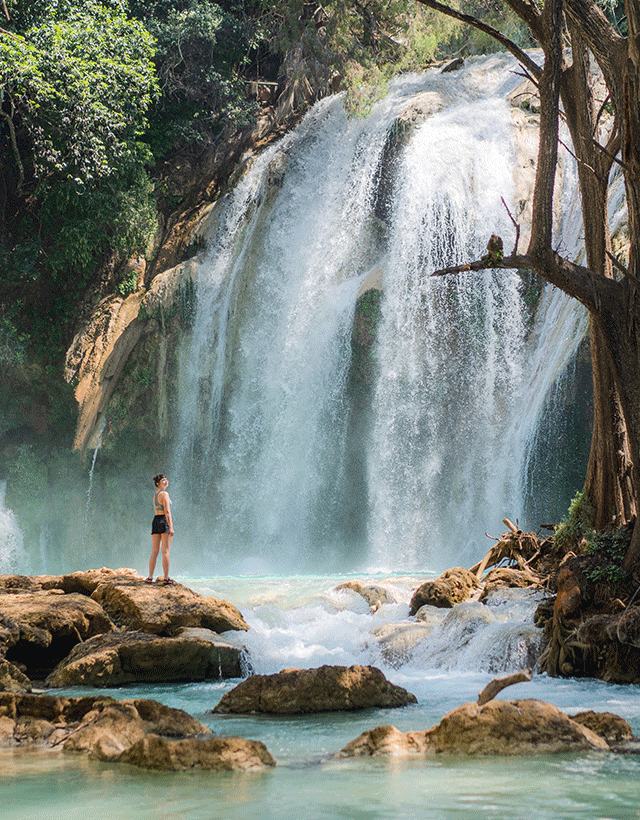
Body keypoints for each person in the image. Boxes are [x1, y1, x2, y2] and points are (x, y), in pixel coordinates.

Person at [146, 473, 175, 585]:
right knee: (165, 551)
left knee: (154, 551)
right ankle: (166, 578)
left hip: (156, 520)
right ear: (157, 483)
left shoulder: (155, 494)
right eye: (163, 480)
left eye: (166, 479)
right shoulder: (164, 494)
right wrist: (171, 527)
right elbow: (167, 511)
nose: (166, 481)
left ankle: (150, 577)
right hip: (164, 520)